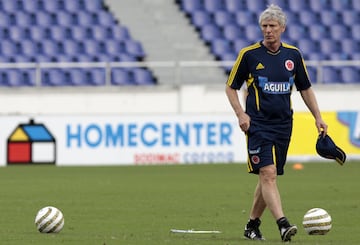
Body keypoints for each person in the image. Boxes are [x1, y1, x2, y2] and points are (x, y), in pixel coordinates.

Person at [225, 4, 328, 242]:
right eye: (264, 26)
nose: (268, 30)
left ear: (282, 28)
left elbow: (305, 88)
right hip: (257, 125)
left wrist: (318, 117)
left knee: (268, 177)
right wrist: (241, 114)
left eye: (272, 26)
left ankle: (252, 225)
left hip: (284, 125)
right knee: (268, 173)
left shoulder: (293, 55)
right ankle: (283, 224)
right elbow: (231, 87)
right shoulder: (249, 55)